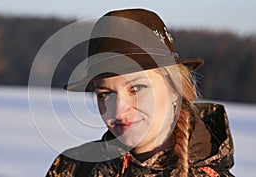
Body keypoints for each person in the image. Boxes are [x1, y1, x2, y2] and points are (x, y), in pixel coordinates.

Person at [46, 8, 234, 177]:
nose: (119, 111)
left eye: (136, 88)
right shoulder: (74, 168)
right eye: (105, 94)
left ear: (175, 89)